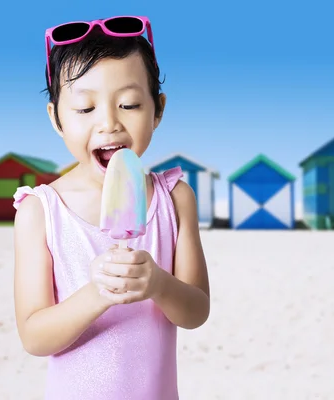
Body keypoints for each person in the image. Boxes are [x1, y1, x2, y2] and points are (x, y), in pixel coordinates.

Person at [12, 15, 210, 400]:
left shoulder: (175, 199)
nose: (109, 123)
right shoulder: (40, 212)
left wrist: (157, 283)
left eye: (130, 104)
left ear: (158, 109)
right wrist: (97, 292)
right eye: (85, 109)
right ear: (56, 118)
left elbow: (196, 312)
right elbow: (34, 337)